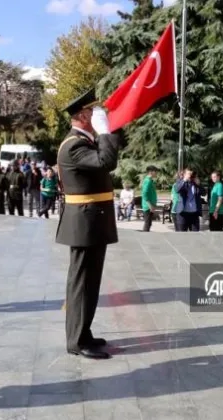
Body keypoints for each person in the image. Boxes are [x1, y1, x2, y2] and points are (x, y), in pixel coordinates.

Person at [56, 89, 124, 360]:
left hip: (92, 221)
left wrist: (111, 129)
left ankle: (84, 332)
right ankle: (76, 340)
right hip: (84, 223)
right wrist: (105, 132)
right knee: (81, 283)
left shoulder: (84, 140)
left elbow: (112, 149)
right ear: (83, 116)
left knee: (90, 283)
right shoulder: (74, 145)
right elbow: (107, 161)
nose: (99, 115)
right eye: (93, 112)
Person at [141, 166, 157, 231]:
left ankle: (145, 237)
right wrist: (150, 205)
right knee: (147, 224)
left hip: (150, 205)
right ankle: (144, 238)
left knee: (149, 223)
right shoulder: (147, 181)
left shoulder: (150, 180)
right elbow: (144, 194)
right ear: (150, 172)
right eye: (155, 171)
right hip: (148, 206)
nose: (156, 173)